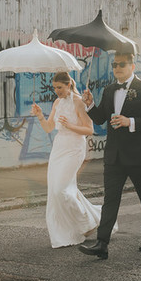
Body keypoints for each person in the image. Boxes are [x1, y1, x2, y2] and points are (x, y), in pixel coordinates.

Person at [78, 51, 141, 260]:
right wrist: (89, 104)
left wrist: (130, 121)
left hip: (140, 155)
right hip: (115, 155)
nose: (117, 68)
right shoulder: (109, 90)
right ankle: (102, 243)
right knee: (110, 199)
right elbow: (100, 119)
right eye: (114, 65)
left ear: (132, 66)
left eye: (122, 64)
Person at [31, 72, 103, 249]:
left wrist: (70, 125)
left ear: (68, 85)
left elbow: (89, 129)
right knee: (60, 189)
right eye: (54, 88)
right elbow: (49, 128)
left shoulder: (78, 102)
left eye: (59, 88)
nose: (56, 91)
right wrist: (40, 115)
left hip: (74, 148)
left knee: (60, 190)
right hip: (59, 148)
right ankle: (93, 219)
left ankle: (87, 223)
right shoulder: (57, 102)